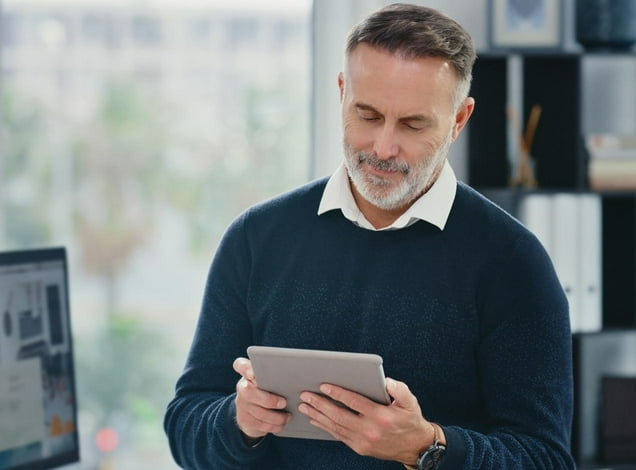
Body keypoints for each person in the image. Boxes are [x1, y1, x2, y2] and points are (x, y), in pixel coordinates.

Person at [164, 3, 574, 469]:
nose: (383, 148)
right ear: (341, 93)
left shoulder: (513, 264)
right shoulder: (256, 239)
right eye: (368, 115)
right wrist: (238, 419)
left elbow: (546, 459)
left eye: (413, 124)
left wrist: (428, 448)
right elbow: (185, 426)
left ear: (460, 119)